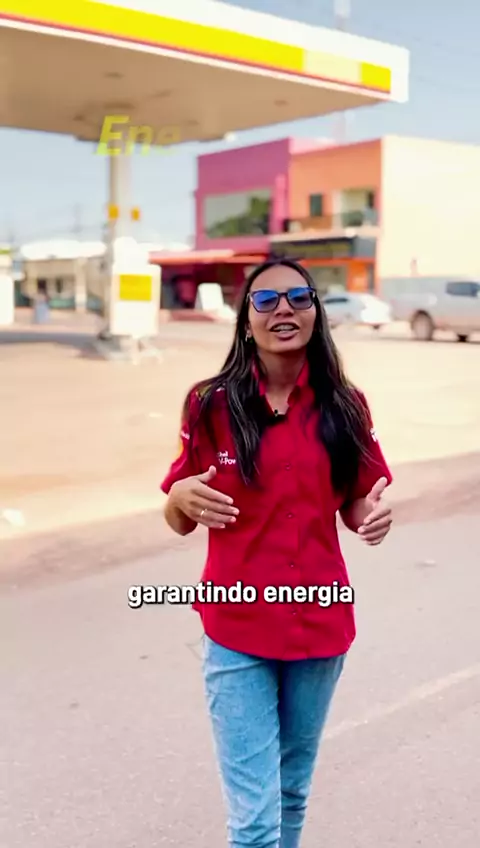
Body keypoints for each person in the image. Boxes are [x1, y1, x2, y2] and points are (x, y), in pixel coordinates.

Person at [160, 258, 393, 848]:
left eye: (298, 297)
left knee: (291, 790)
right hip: (236, 626)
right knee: (255, 822)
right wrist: (179, 498)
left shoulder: (347, 405)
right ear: (246, 322)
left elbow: (356, 501)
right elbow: (180, 518)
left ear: (316, 313)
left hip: (320, 623)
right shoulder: (210, 404)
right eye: (265, 300)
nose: (283, 309)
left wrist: (371, 517)